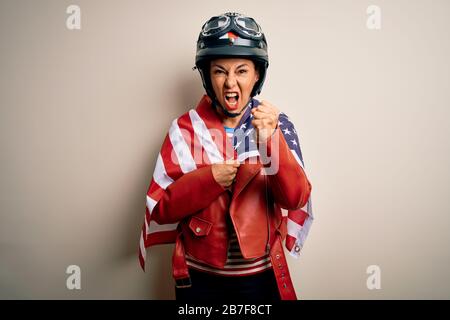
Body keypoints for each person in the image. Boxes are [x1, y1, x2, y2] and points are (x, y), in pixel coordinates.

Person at [139, 12, 313, 301]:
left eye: (241, 71)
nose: (231, 82)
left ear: (257, 74)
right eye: (220, 71)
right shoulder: (185, 129)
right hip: (200, 280)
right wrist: (210, 179)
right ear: (207, 76)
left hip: (262, 277)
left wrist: (271, 140)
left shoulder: (277, 125)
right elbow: (161, 210)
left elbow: (295, 198)